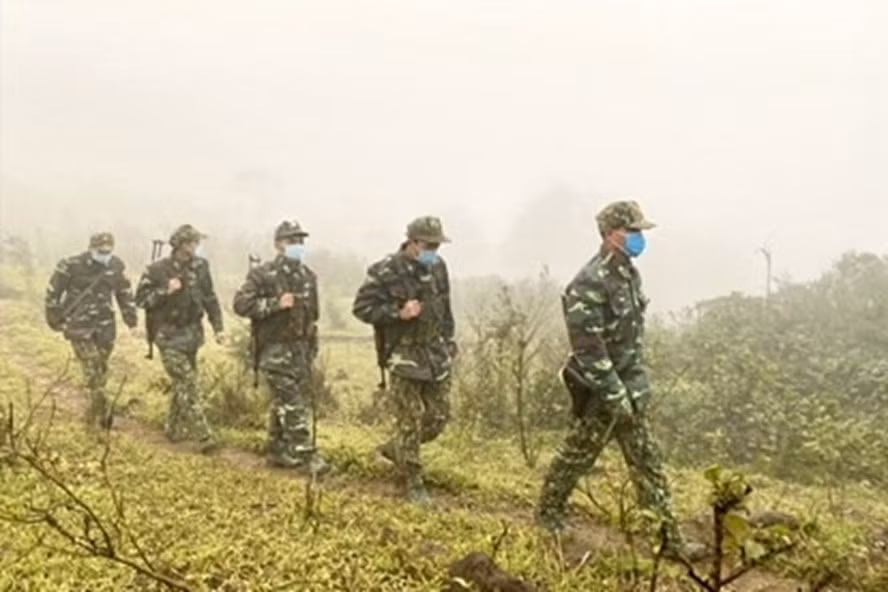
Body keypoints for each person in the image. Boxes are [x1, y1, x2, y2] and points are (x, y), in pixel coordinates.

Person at [536, 200, 707, 560]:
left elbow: (630, 338)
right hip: (600, 390)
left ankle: (669, 541)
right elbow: (589, 349)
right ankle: (547, 513)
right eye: (633, 232)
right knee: (576, 456)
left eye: (640, 232)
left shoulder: (628, 274)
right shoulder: (589, 282)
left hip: (629, 386)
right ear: (612, 235)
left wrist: (636, 388)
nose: (639, 238)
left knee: (647, 462)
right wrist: (614, 394)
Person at [352, 216, 457, 505]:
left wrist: (450, 341)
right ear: (411, 242)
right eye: (428, 245)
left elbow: (445, 307)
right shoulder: (386, 270)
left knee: (438, 417)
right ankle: (413, 481)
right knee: (409, 420)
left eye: (437, 245)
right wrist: (398, 312)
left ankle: (397, 448)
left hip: (435, 352)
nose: (433, 250)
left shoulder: (438, 267)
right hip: (403, 355)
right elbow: (362, 308)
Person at [232, 220, 330, 474]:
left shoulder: (308, 277)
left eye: (300, 241)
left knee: (282, 402)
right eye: (291, 241)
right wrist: (276, 303)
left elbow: (314, 315)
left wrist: (311, 348)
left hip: (300, 351)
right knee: (292, 402)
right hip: (273, 351)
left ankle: (276, 450)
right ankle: (306, 454)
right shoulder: (262, 274)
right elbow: (241, 305)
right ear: (278, 245)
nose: (297, 246)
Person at [134, 224, 224, 453]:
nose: (195, 246)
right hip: (168, 336)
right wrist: (165, 290)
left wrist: (218, 327)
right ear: (180, 245)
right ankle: (204, 436)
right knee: (188, 382)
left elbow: (209, 298)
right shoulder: (157, 269)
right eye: (191, 242)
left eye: (197, 242)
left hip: (192, 334)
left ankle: (173, 428)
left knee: (182, 383)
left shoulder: (201, 267)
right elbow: (141, 300)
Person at [44, 232, 139, 430]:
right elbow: (53, 292)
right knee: (92, 367)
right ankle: (100, 419)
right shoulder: (70, 265)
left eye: (108, 251)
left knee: (101, 371)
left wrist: (132, 322)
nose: (104, 254)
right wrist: (54, 320)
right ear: (91, 248)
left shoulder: (116, 266)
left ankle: (94, 412)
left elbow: (124, 294)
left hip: (105, 327)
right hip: (79, 326)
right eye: (100, 251)